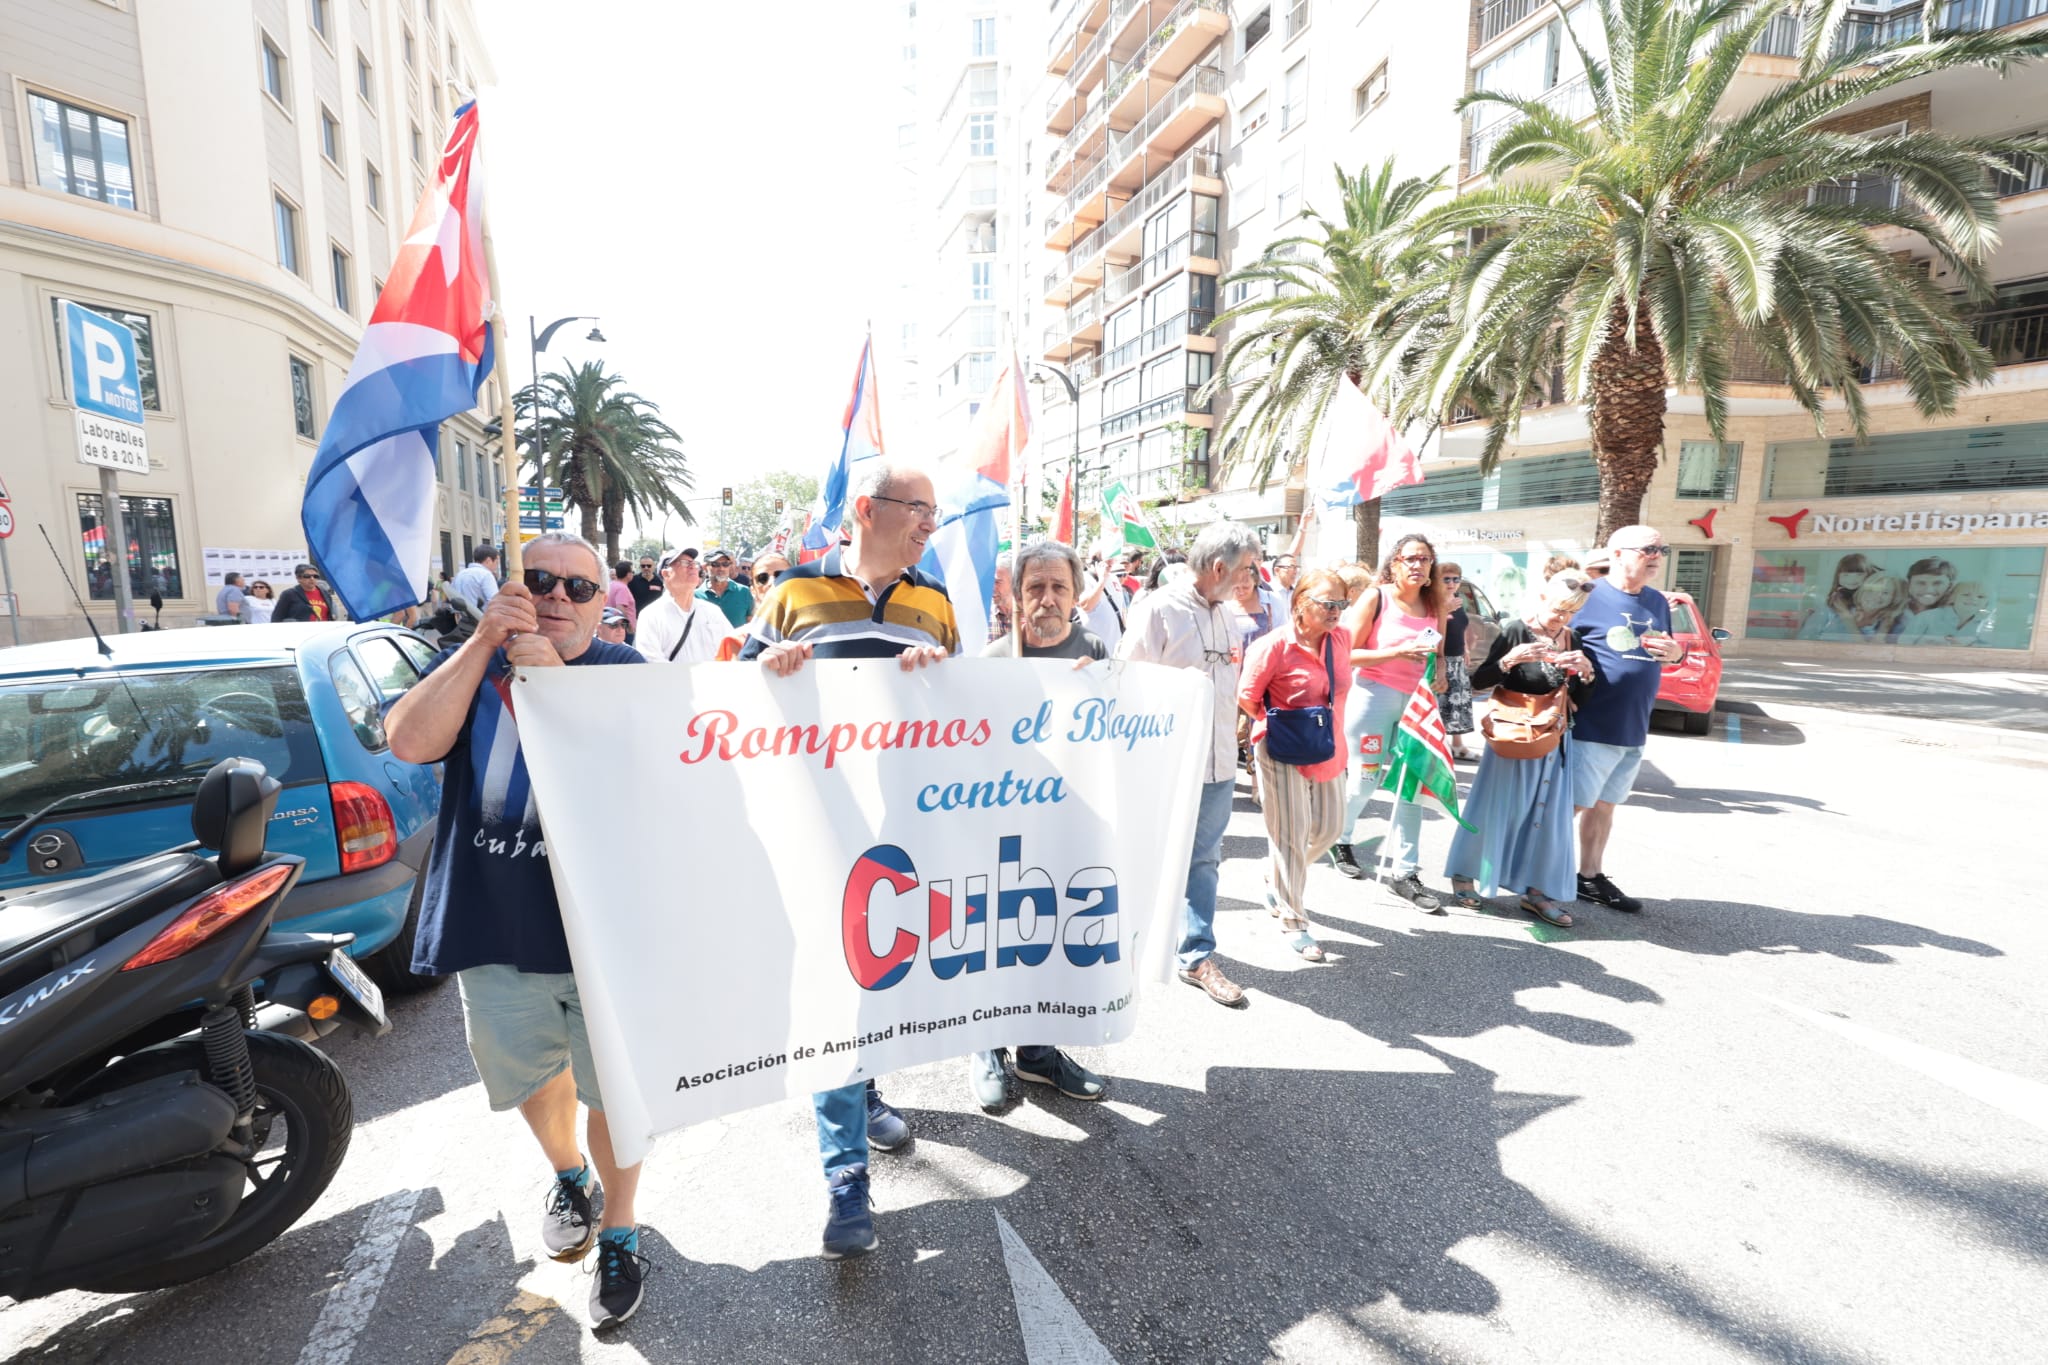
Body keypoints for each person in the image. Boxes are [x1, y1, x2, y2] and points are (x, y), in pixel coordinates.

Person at [384, 531, 653, 1329]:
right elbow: (409, 739)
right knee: (533, 1079)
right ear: (516, 589)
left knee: (616, 1094)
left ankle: (622, 1228)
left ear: (604, 604)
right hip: (494, 919)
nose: (558, 598)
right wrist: (481, 643)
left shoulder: (623, 673)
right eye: (541, 581)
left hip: (602, 933)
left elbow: (637, 769)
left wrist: (552, 678)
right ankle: (571, 1174)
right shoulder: (479, 666)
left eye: (578, 587)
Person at [739, 458, 957, 1260]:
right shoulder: (791, 594)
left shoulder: (934, 602)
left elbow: (968, 710)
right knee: (835, 991)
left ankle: (862, 1087)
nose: (931, 525)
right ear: (866, 509)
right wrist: (764, 673)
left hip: (904, 831)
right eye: (920, 509)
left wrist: (942, 682)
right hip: (818, 830)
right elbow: (730, 708)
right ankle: (845, 1177)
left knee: (881, 977)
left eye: (936, 513)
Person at [966, 538, 1112, 1110]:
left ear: (1077, 594)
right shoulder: (993, 663)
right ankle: (983, 1046)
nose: (1047, 598)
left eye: (1058, 587)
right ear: (1016, 596)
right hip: (1002, 833)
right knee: (995, 938)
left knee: (1046, 941)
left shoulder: (1097, 649)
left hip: (1068, 830)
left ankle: (1036, 1054)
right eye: (1036, 587)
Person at [1119, 520, 1262, 1008]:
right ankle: (1125, 945)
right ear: (1219, 567)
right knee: (1149, 857)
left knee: (1204, 861)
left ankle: (1196, 956)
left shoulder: (1227, 613)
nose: (1252, 577)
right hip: (1165, 765)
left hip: (1218, 763)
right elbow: (1125, 682)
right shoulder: (1158, 609)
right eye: (1246, 568)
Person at [1447, 572, 1597, 928]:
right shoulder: (1515, 630)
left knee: (1546, 818)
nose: (1562, 618)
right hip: (1513, 736)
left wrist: (1587, 674)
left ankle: (1536, 891)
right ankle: (1466, 875)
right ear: (1542, 598)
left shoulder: (1572, 638)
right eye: (1559, 608)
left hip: (1554, 739)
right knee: (1494, 809)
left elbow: (1578, 702)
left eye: (1570, 612)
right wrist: (1508, 661)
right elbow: (1474, 682)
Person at [1237, 569, 1354, 962]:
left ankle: (1275, 878)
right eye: (1328, 603)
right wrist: (1281, 724)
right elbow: (1248, 697)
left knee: (1329, 829)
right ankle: (1293, 919)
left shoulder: (1341, 640)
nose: (1337, 610)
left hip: (1328, 746)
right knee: (1291, 835)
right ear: (1301, 605)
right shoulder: (1274, 646)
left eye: (1342, 602)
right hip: (1282, 747)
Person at [1328, 535, 1449, 912]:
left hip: (1417, 702)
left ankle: (1405, 872)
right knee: (1364, 780)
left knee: (1410, 786)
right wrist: (1396, 652)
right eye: (1410, 558)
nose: (1417, 566)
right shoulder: (1375, 597)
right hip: (1373, 696)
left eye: (1425, 559)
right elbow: (1346, 653)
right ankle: (1340, 837)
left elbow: (1441, 653)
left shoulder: (1435, 603)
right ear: (1394, 563)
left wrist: (1441, 673)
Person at [1570, 526, 1686, 914]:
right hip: (1589, 722)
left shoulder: (1656, 601)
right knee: (1569, 807)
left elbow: (1667, 655)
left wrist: (1675, 654)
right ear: (1618, 553)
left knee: (1605, 806)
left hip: (1633, 725)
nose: (1657, 555)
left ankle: (1589, 876)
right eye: (1649, 549)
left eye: (1662, 548)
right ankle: (1535, 879)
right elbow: (1552, 640)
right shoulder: (1586, 595)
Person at [635, 548, 730, 663]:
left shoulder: (712, 611)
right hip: (672, 680)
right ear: (666, 574)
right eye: (684, 563)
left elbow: (731, 648)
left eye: (693, 563)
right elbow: (651, 660)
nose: (692, 567)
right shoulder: (651, 615)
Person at [1439, 562, 1478, 762]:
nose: (1452, 583)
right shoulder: (1435, 602)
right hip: (1441, 659)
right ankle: (1439, 744)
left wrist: (1465, 647)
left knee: (1459, 702)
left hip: (1457, 659)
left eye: (1456, 579)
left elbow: (1461, 627)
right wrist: (1443, 610)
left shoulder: (1458, 599)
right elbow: (1433, 627)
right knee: (1442, 703)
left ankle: (1457, 745)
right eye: (1447, 578)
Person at [1796, 552, 1878, 641]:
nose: (1852, 579)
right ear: (1838, 577)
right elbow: (1807, 635)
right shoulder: (1832, 604)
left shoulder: (1873, 605)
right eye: (1846, 575)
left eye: (1859, 574)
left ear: (1868, 576)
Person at [1900, 579, 1992, 645]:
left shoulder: (1985, 623)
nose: (1973, 599)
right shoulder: (1927, 617)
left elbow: (1985, 648)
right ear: (1953, 597)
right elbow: (1903, 643)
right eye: (1966, 594)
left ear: (1986, 603)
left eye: (1981, 597)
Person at [1078, 542, 1130, 652]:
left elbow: (1121, 609)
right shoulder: (1084, 579)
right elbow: (1086, 606)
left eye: (1113, 557)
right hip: (1094, 648)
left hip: (1115, 646)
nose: (1111, 562)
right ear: (1095, 560)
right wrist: (1102, 580)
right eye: (1107, 557)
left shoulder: (1114, 579)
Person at [1891, 556, 1957, 642]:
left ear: (1950, 586)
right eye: (1920, 583)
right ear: (1909, 584)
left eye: (1937, 583)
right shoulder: (1894, 609)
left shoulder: (1955, 616)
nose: (1928, 590)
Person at [697, 550, 754, 627]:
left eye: (725, 564)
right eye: (715, 564)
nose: (721, 568)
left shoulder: (744, 592)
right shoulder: (696, 596)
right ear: (705, 567)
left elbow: (751, 625)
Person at [273, 564, 338, 622]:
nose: (312, 579)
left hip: (322, 631)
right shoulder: (289, 594)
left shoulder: (325, 593)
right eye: (307, 576)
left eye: (315, 576)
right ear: (298, 578)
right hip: (302, 632)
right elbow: (276, 618)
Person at [453, 544, 501, 609]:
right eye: (496, 562)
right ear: (488, 560)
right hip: (480, 617)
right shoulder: (486, 575)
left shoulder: (459, 574)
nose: (496, 566)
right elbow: (495, 601)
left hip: (461, 617)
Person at [607, 562, 639, 641]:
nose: (633, 575)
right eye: (632, 572)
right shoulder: (622, 588)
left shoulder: (611, 585)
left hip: (610, 626)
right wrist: (628, 626)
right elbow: (620, 608)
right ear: (628, 574)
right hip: (622, 630)